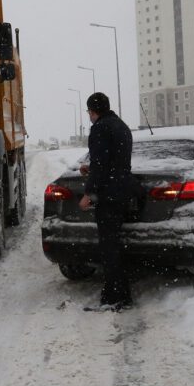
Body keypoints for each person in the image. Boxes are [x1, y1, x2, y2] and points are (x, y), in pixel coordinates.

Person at [78, 91, 134, 310]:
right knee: (114, 245)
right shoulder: (121, 126)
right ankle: (119, 293)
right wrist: (91, 168)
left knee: (109, 247)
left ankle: (115, 297)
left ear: (93, 111)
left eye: (89, 112)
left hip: (109, 195)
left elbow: (102, 165)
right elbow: (114, 162)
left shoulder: (100, 129)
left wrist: (88, 194)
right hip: (121, 191)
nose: (89, 116)